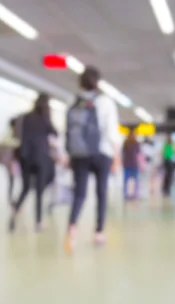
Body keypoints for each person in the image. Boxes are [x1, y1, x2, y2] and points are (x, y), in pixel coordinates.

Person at [65, 66, 122, 252]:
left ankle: (72, 227)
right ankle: (98, 232)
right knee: (101, 192)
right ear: (98, 82)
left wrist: (69, 154)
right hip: (101, 153)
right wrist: (116, 157)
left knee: (79, 193)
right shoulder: (105, 102)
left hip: (79, 154)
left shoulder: (74, 102)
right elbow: (111, 131)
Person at [9, 93, 58, 233]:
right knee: (39, 192)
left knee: (25, 189)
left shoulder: (25, 117)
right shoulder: (45, 117)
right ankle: (38, 222)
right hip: (41, 158)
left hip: (25, 157)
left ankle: (14, 215)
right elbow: (54, 133)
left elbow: (17, 135)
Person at [122, 131, 141, 201]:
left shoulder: (136, 144)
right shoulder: (126, 144)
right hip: (128, 165)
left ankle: (135, 194)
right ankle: (126, 194)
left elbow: (138, 154)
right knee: (126, 181)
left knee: (136, 180)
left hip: (134, 165)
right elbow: (123, 154)